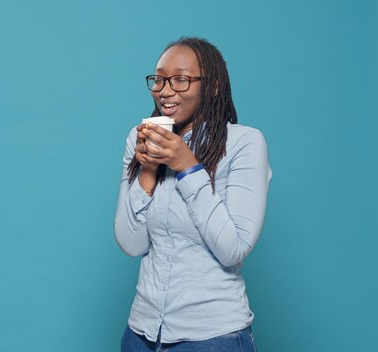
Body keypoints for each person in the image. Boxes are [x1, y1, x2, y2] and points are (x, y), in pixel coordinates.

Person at [114, 37, 272, 351]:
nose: (165, 90)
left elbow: (233, 249)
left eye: (181, 79)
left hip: (211, 338)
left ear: (212, 87)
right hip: (140, 335)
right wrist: (147, 169)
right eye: (159, 79)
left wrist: (187, 166)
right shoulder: (139, 138)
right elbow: (132, 244)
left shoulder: (243, 143)